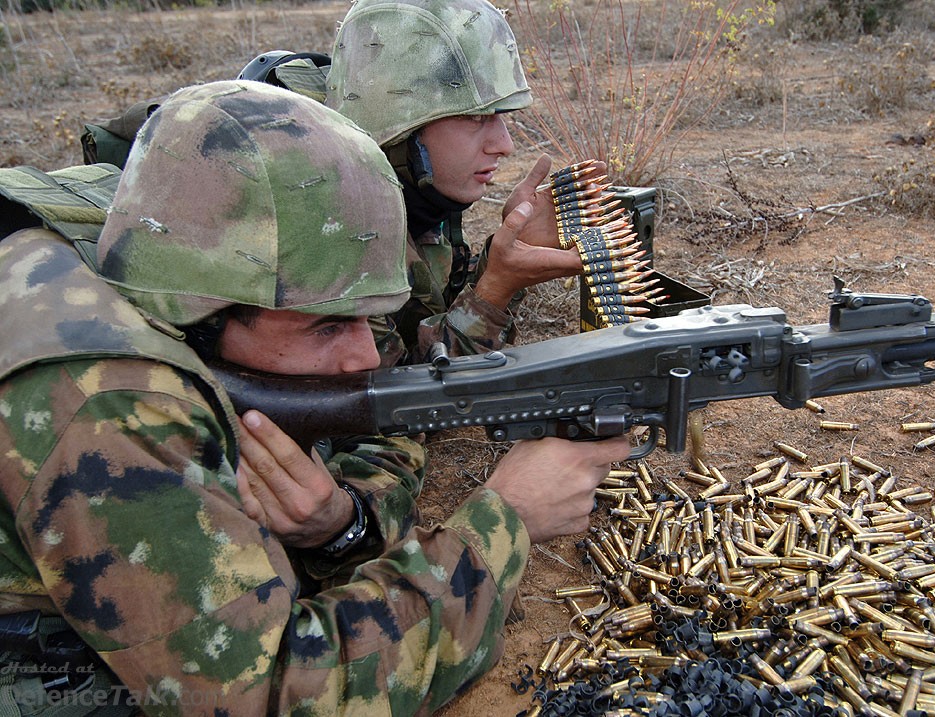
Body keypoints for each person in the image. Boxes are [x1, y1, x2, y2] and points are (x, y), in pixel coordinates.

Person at [0, 79, 628, 715]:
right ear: (204, 314)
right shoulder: (107, 400)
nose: (362, 356)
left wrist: (343, 524)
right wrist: (504, 524)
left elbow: (375, 418)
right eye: (327, 326)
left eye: (366, 320)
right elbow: (267, 698)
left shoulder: (187, 234)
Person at [322, 0, 585, 365]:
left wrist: (507, 255)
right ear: (401, 126)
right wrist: (496, 288)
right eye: (476, 117)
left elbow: (427, 334)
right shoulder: (334, 224)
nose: (505, 144)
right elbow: (402, 397)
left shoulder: (414, 190)